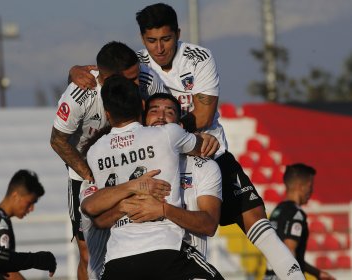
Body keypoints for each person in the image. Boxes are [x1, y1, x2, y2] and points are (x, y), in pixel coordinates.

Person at [69, 3, 305, 279]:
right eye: (151, 41)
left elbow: (203, 115)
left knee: (256, 221)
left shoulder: (198, 57)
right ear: (142, 38)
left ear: (178, 34)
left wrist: (169, 130)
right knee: (103, 243)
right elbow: (107, 83)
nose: (159, 48)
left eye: (166, 39)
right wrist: (74, 72)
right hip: (156, 161)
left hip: (206, 153)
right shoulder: (134, 65)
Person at [83, 74, 224, 280]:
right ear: (141, 107)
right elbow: (201, 145)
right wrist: (206, 138)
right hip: (164, 250)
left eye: (168, 111)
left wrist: (128, 202)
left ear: (107, 114)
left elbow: (93, 213)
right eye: (154, 110)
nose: (161, 116)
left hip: (117, 260)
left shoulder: (94, 152)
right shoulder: (168, 134)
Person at [50, 41, 166, 280]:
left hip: (130, 163)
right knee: (87, 253)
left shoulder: (146, 80)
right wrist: (89, 174)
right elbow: (57, 140)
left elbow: (162, 114)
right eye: (132, 79)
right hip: (85, 173)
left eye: (138, 76)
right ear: (109, 77)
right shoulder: (78, 95)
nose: (138, 83)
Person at [264, 163, 336, 280]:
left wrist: (317, 273)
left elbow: (285, 253)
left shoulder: (277, 210)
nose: (311, 191)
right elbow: (289, 250)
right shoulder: (296, 214)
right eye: (310, 186)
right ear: (300, 186)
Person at [0, 187, 56, 278]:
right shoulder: (0, 221)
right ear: (15, 196)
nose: (32, 209)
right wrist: (38, 259)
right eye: (30, 202)